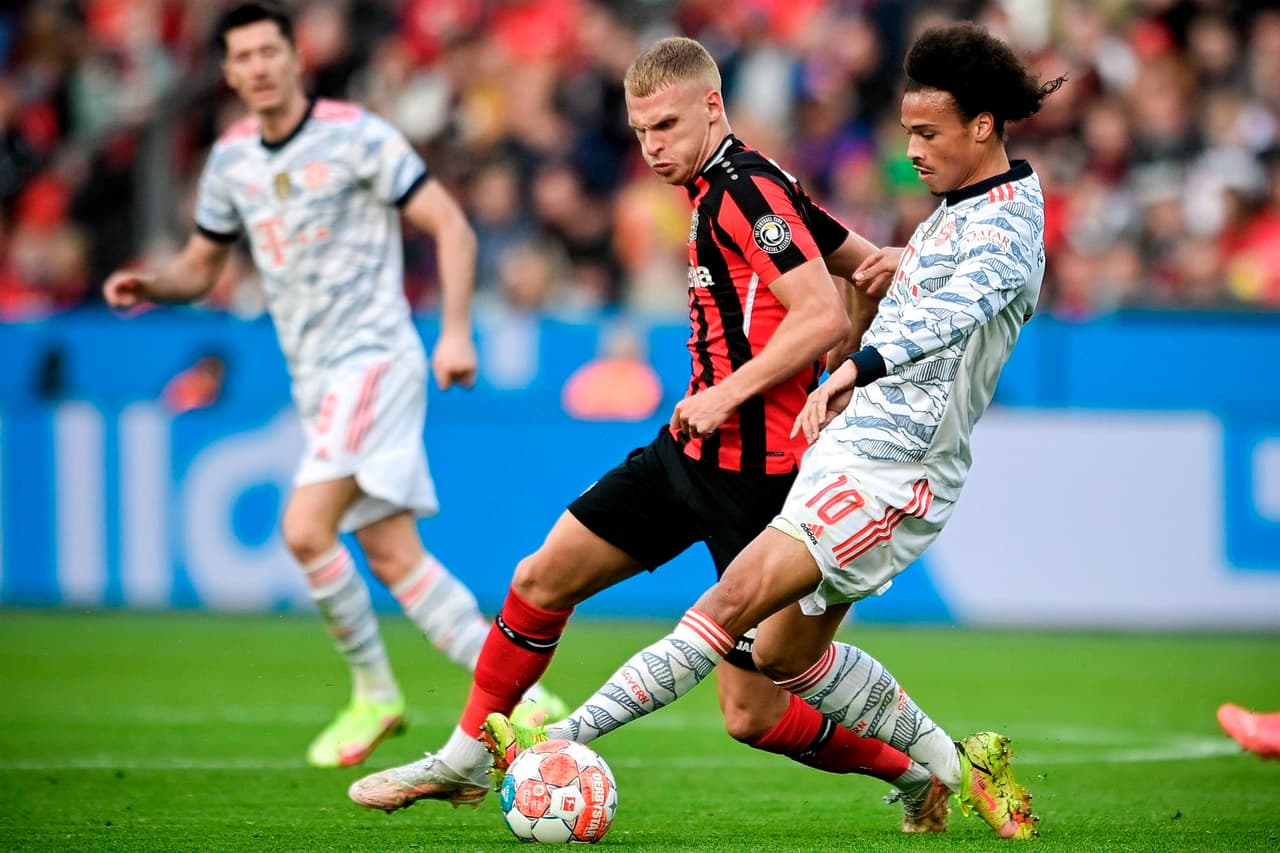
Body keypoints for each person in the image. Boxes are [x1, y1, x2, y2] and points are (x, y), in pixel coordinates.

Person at [350, 36, 953, 833]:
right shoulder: (733, 188)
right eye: (639, 132)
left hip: (767, 483)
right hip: (690, 454)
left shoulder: (747, 192)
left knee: (754, 715)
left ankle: (914, 774)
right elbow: (866, 267)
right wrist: (861, 327)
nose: (652, 147)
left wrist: (797, 372)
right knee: (540, 578)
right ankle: (465, 756)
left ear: (713, 106)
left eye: (666, 125)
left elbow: (819, 312)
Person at [482, 23, 1062, 842]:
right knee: (782, 659)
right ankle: (956, 767)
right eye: (905, 132)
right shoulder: (953, 214)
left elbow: (948, 313)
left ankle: (556, 741)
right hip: (845, 455)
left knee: (728, 603)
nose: (912, 151)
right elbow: (904, 285)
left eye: (927, 134)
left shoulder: (1009, 226)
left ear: (983, 125)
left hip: (899, 474)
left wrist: (854, 364)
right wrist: (887, 278)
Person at [102, 1, 563, 769]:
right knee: (391, 554)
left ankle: (374, 690)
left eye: (268, 51)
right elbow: (200, 267)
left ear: (295, 57)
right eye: (241, 56)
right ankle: (524, 694)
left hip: (375, 356)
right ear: (227, 71)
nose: (257, 66)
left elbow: (450, 222)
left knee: (305, 526)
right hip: (317, 377)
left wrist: (453, 329)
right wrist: (153, 283)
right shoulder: (231, 163)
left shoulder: (356, 135)